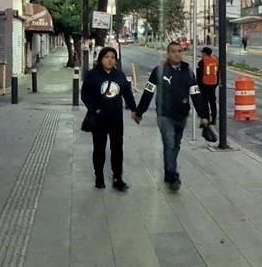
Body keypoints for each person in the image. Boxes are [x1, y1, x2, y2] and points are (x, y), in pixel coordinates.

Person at [134, 41, 209, 191]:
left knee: (175, 145)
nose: (177, 54)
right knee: (169, 144)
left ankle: (169, 172)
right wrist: (139, 112)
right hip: (164, 115)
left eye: (180, 51)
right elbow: (148, 92)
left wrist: (204, 115)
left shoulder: (188, 72)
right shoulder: (159, 71)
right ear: (168, 54)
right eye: (174, 51)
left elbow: (196, 95)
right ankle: (173, 175)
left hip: (181, 115)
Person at [81, 47, 137, 191]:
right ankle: (99, 176)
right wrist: (95, 109)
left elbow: (127, 94)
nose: (110, 59)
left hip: (116, 119)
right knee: (99, 149)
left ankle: (117, 178)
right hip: (99, 119)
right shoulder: (93, 75)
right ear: (101, 59)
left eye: (113, 57)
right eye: (106, 56)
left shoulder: (119, 75)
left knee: (117, 149)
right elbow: (85, 95)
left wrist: (133, 109)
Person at [197, 47, 219, 127]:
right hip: (213, 84)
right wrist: (216, 83)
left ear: (205, 53)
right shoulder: (216, 60)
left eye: (202, 53)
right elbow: (217, 73)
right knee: (213, 102)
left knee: (204, 103)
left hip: (204, 84)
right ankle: (214, 119)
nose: (201, 54)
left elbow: (199, 76)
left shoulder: (202, 62)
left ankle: (206, 118)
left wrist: (199, 85)